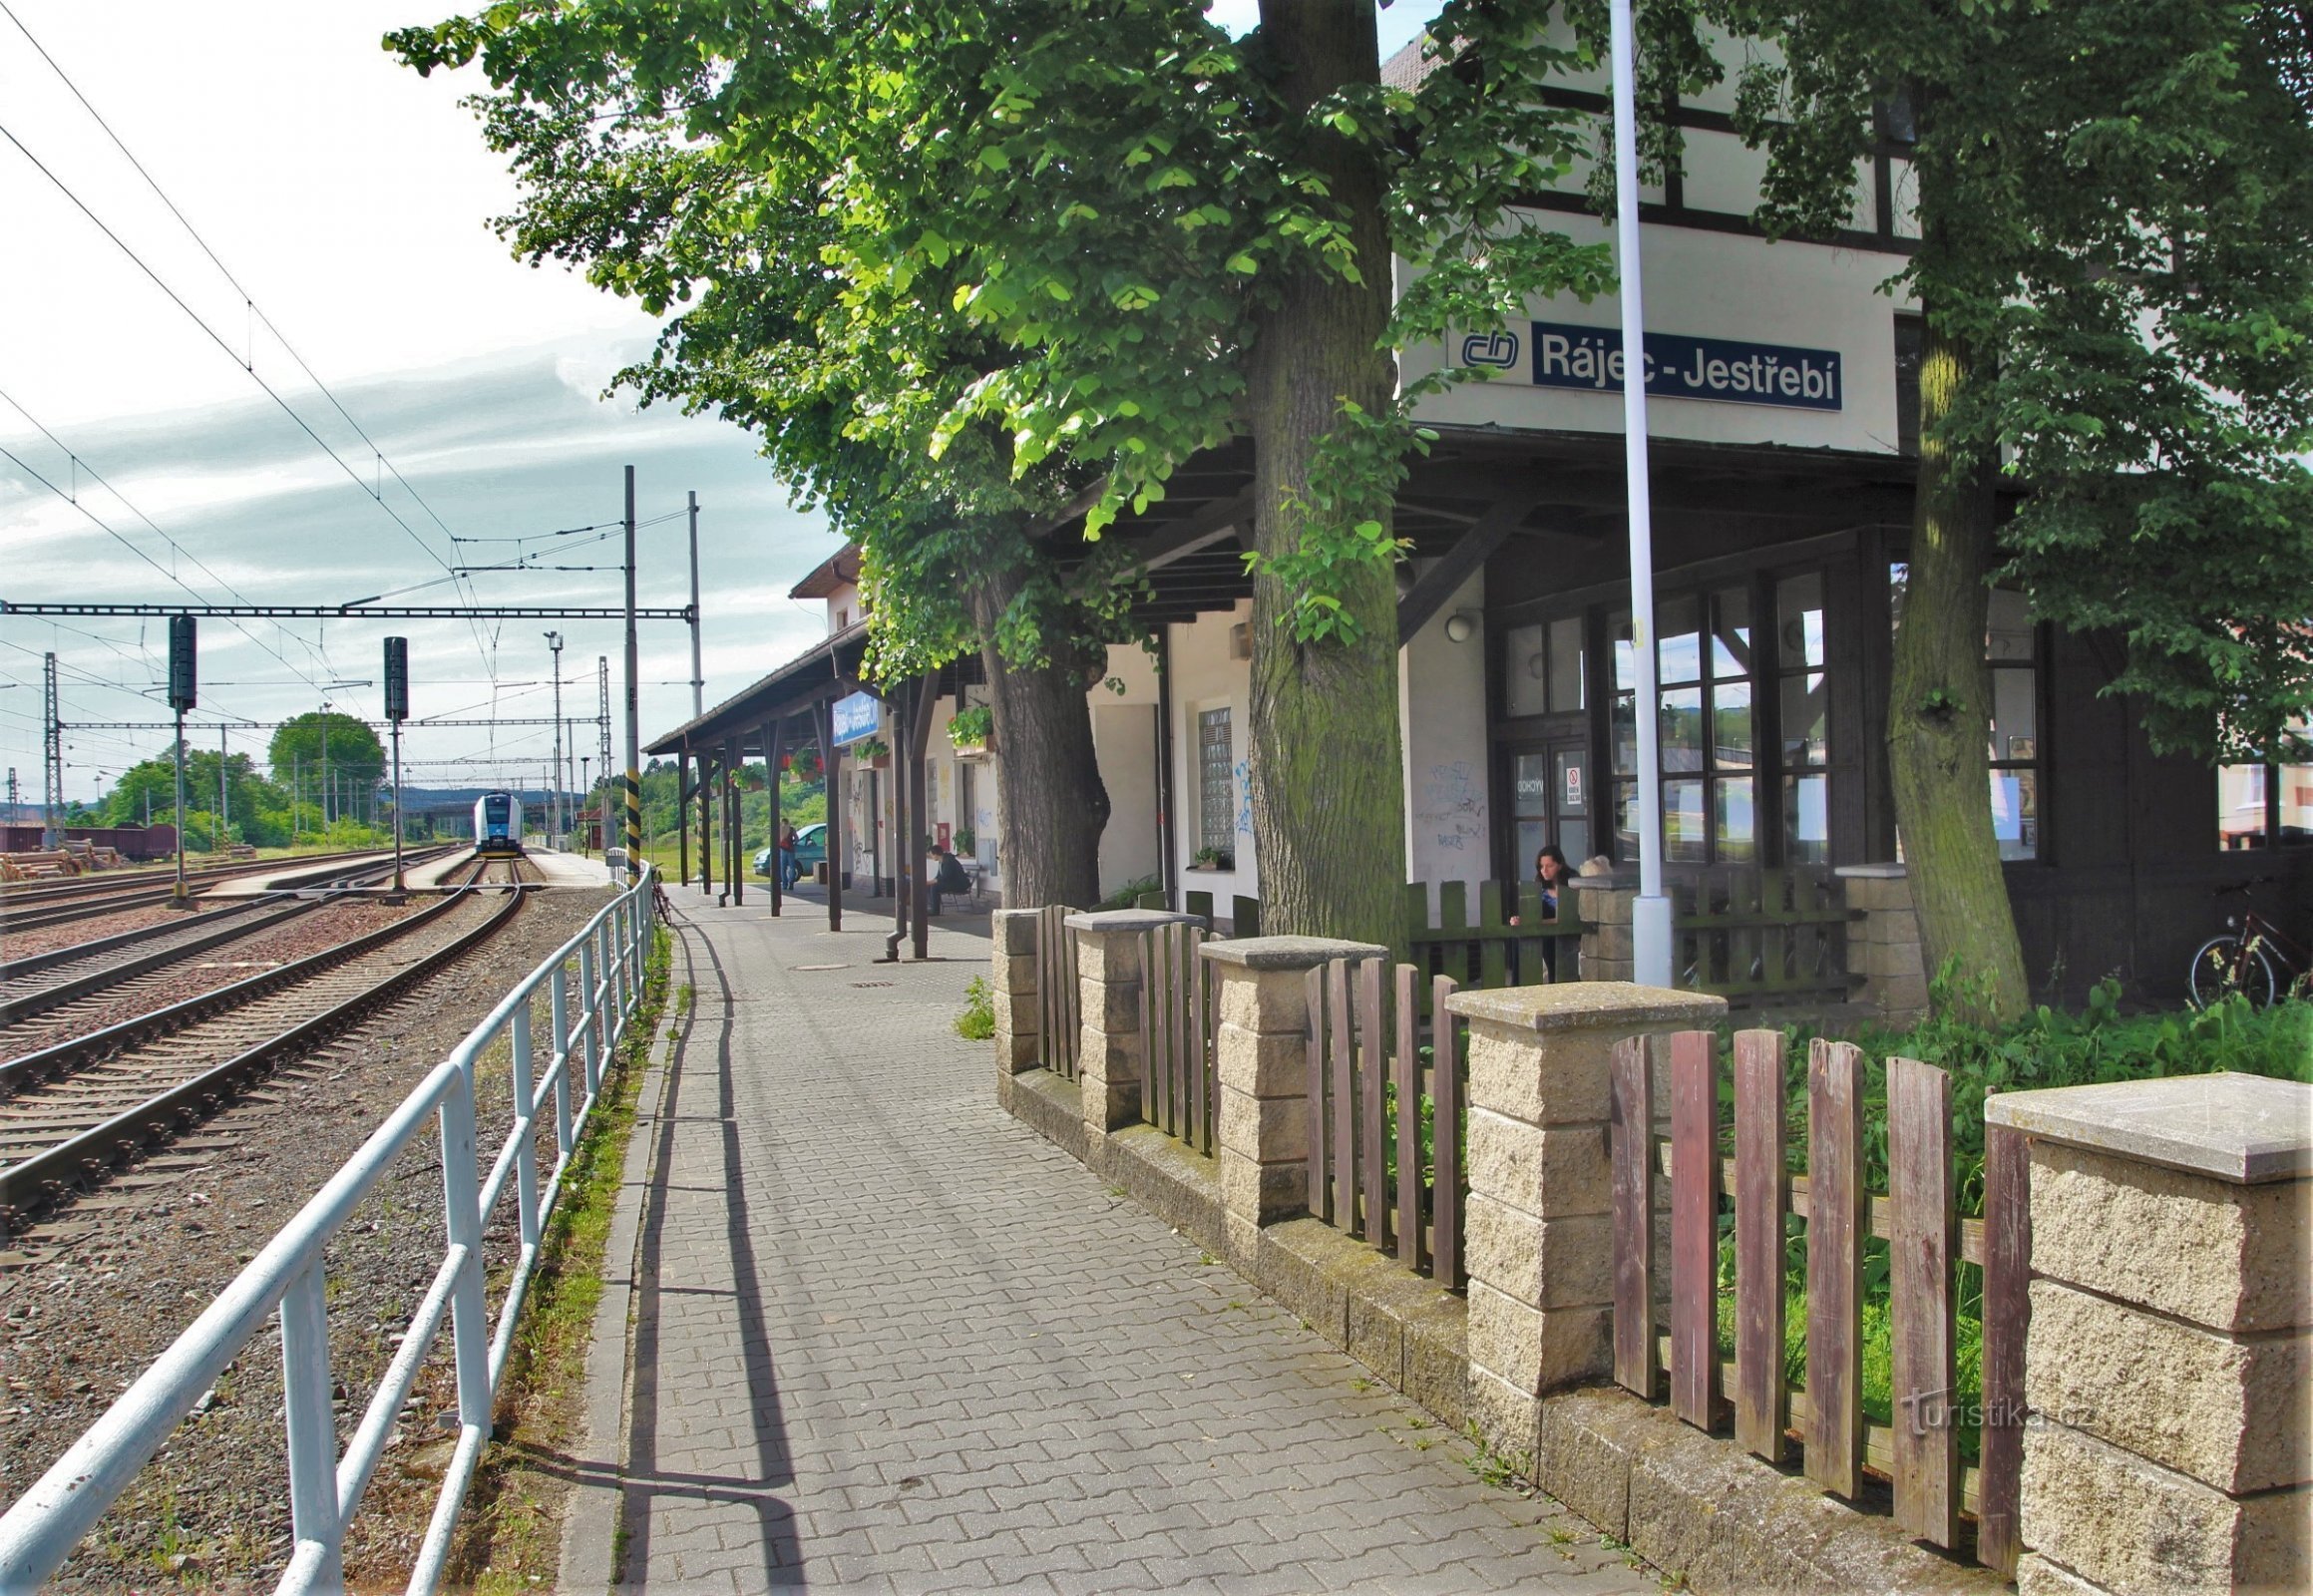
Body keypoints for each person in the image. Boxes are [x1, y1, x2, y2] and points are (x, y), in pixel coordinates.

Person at [929, 845, 971, 915]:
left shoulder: (949, 861)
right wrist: (930, 882)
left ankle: (935, 911)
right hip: (952, 883)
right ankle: (932, 907)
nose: (931, 857)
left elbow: (945, 876)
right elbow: (938, 876)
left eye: (931, 855)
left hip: (959, 884)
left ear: (936, 854)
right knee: (930, 886)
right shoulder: (942, 861)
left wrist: (932, 882)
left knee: (934, 887)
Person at [778, 820, 800, 890]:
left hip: (782, 850)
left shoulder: (780, 829)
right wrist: (793, 843)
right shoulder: (791, 829)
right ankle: (791, 883)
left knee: (783, 868)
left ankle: (784, 884)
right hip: (791, 850)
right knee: (792, 867)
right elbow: (797, 839)